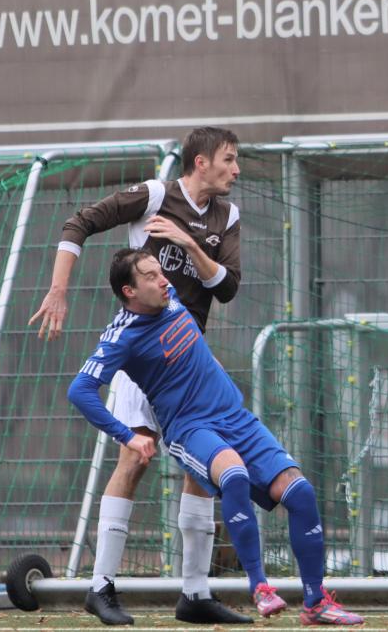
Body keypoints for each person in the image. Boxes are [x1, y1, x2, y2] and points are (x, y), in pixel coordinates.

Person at [68, 249, 364, 626]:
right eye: (151, 276)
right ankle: (259, 587)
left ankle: (315, 603)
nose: (164, 280)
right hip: (191, 429)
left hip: (235, 417)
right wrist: (127, 435)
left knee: (301, 492)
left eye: (162, 272)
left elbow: (187, 345)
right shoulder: (122, 336)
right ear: (129, 290)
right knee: (235, 476)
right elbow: (80, 390)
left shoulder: (170, 300)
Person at [29, 127, 248, 625]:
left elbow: (228, 288)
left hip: (191, 362)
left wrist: (192, 245)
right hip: (144, 359)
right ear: (200, 161)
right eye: (229, 160)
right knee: (135, 457)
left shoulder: (227, 217)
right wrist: (58, 289)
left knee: (204, 470)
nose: (236, 170)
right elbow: (77, 224)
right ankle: (101, 586)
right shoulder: (154, 195)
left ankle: (194, 594)